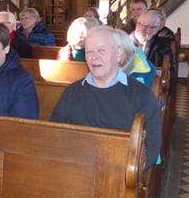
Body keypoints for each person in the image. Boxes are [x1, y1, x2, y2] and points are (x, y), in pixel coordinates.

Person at [50, 25, 161, 170]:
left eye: (102, 50)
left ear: (119, 54)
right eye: (89, 51)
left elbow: (151, 148)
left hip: (121, 177)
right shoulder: (71, 93)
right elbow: (54, 135)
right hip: (75, 172)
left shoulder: (141, 96)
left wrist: (126, 174)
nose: (94, 56)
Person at [131, 11, 176, 91]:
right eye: (140, 24)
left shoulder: (162, 49)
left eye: (148, 27)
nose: (142, 29)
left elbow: (169, 81)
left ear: (156, 29)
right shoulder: (125, 44)